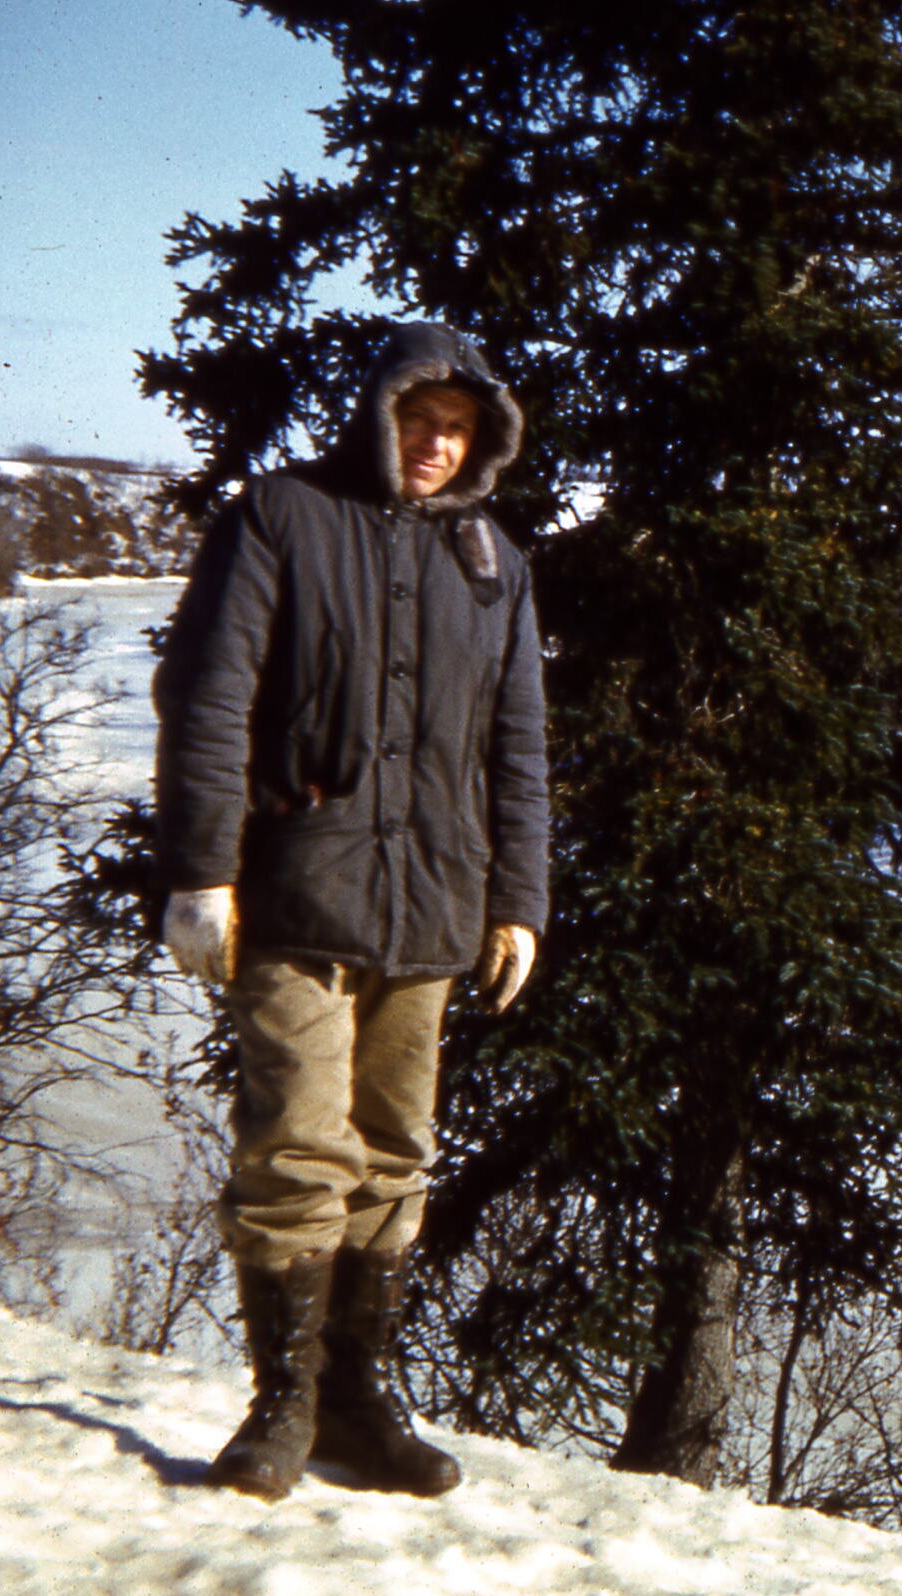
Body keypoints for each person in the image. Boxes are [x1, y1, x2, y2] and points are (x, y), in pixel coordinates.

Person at [154, 323, 549, 1501]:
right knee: (295, 1145)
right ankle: (283, 1399)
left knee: (396, 1152)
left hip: (436, 899)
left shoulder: (494, 557)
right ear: (381, 414)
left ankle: (355, 1402)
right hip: (296, 887)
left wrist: (518, 900)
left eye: (458, 427)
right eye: (418, 418)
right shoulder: (281, 514)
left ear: (481, 441)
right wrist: (198, 871)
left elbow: (517, 741)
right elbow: (211, 694)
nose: (434, 442)